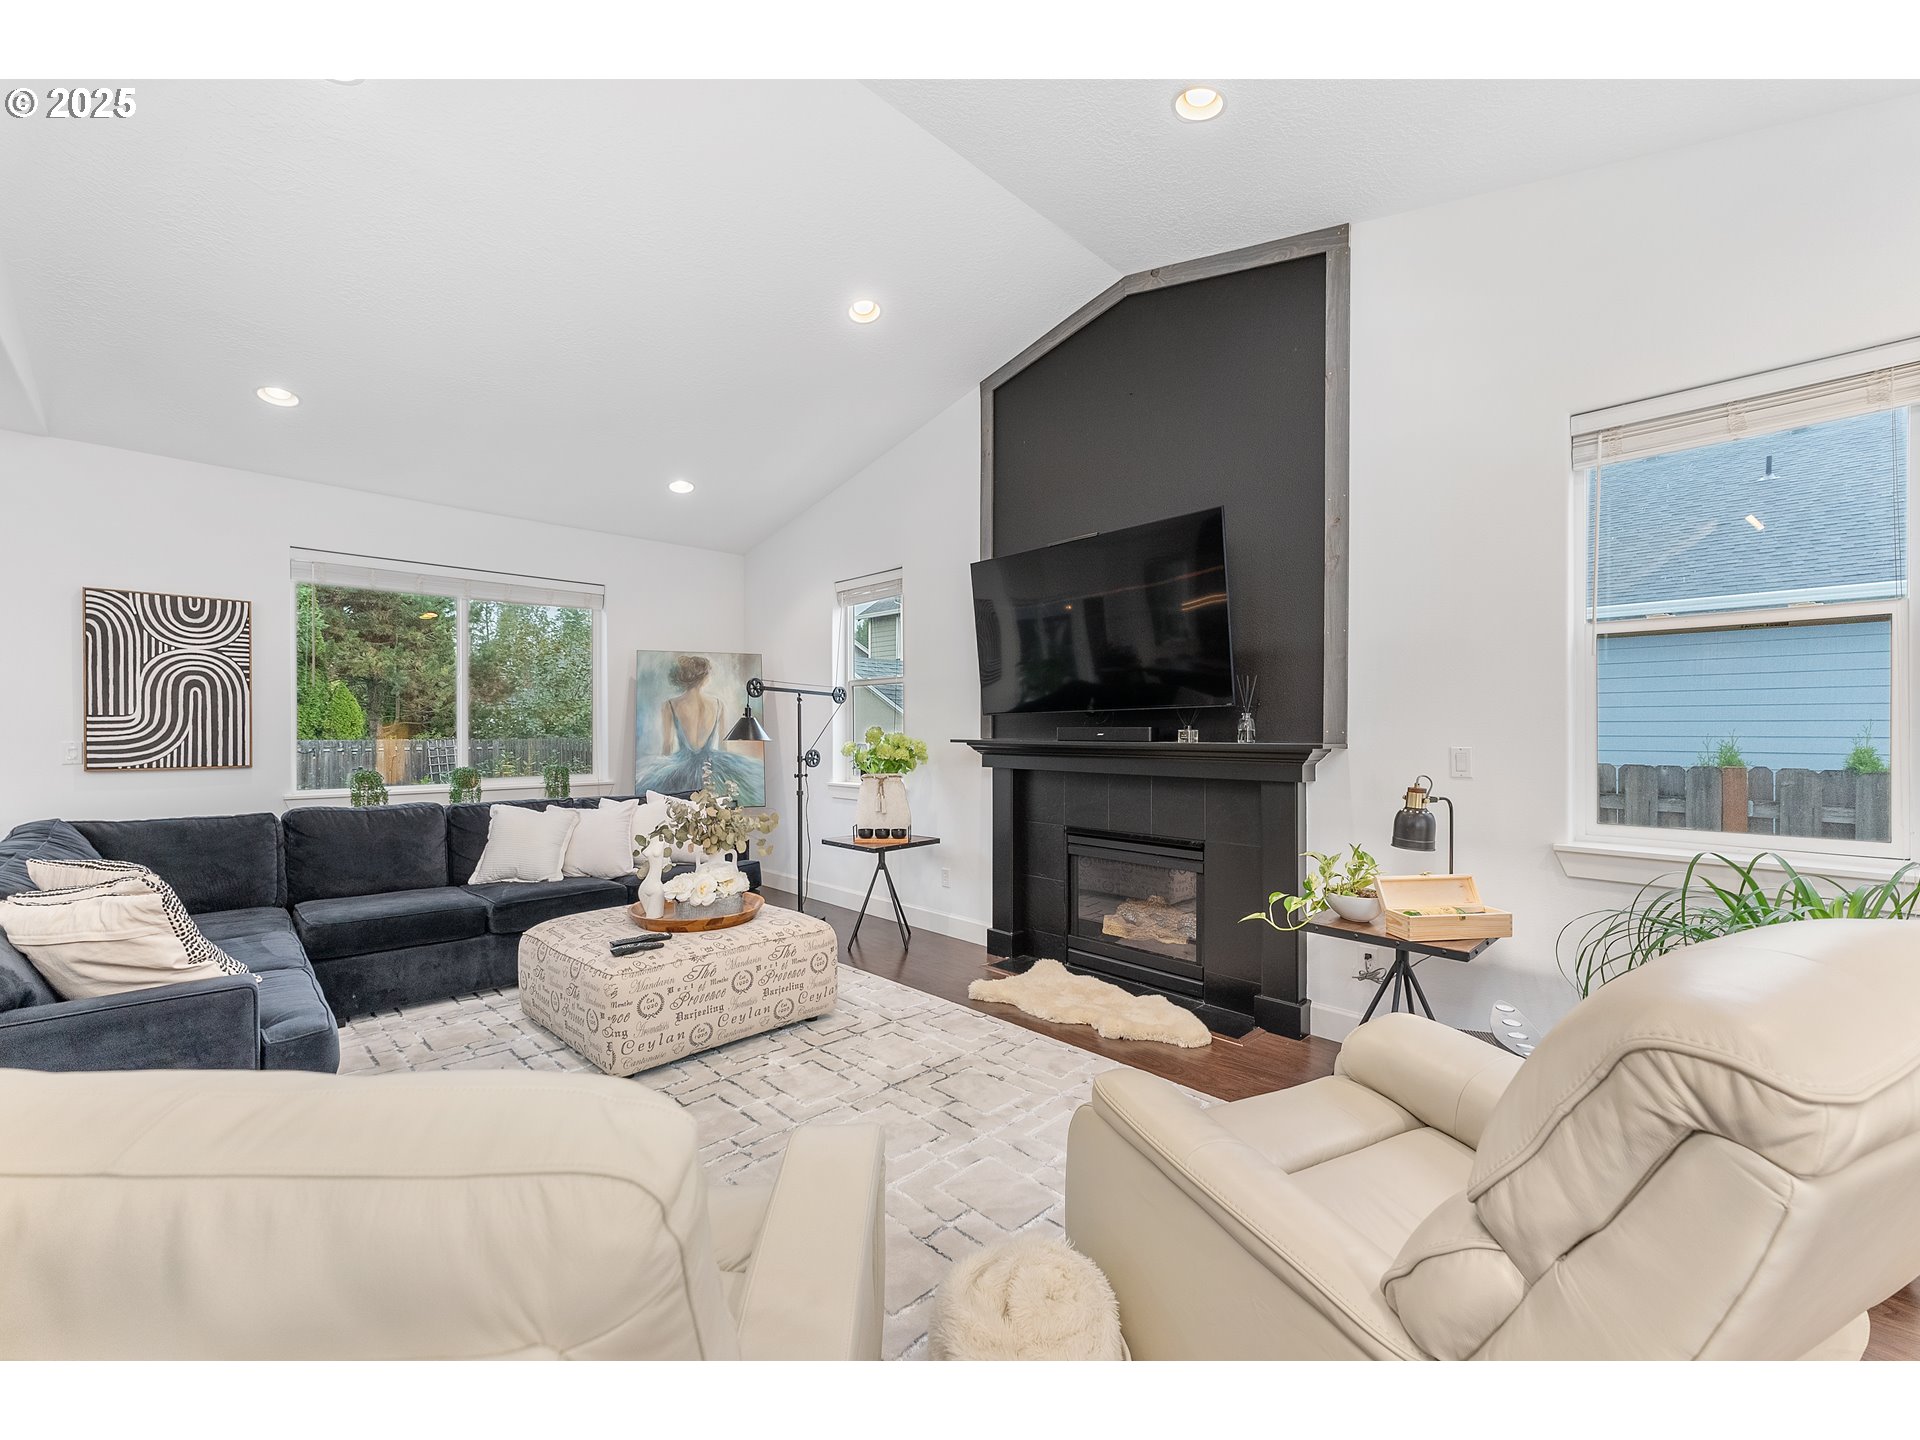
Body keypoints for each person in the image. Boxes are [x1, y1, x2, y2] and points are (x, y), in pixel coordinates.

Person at [635, 654, 763, 802]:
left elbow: (667, 745)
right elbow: (723, 745)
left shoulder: (671, 704)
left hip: (680, 764)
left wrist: (662, 769)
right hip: (712, 764)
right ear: (704, 678)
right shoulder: (718, 704)